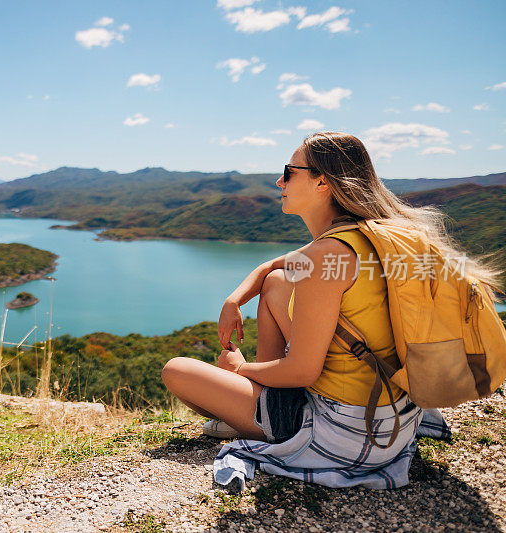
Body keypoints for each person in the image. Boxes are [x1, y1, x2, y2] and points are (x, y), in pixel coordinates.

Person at [161, 131, 502, 489]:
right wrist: (237, 296)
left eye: (289, 172)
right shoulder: (374, 234)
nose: (280, 181)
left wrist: (239, 366)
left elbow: (303, 371)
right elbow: (280, 267)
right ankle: (258, 401)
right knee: (276, 282)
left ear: (322, 181)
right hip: (393, 413)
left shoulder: (325, 257)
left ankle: (258, 410)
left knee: (176, 371)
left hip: (347, 433)